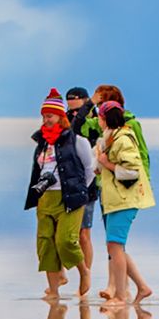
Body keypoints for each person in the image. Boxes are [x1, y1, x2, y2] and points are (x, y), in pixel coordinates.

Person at [25, 89, 96, 301]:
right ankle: (53, 292)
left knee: (66, 241)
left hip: (70, 198)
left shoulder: (77, 140)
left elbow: (90, 169)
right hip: (45, 198)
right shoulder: (42, 142)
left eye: (50, 116)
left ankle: (84, 271)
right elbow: (37, 171)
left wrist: (80, 190)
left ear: (60, 116)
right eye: (44, 116)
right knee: (46, 244)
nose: (46, 120)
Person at [94, 100, 154, 309]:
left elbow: (131, 172)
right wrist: (101, 164)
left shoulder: (123, 139)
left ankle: (120, 295)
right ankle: (142, 287)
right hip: (114, 199)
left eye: (99, 118)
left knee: (115, 245)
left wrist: (106, 163)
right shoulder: (110, 138)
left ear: (103, 119)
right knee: (114, 246)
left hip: (125, 200)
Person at [64, 85, 104, 290]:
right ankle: (63, 273)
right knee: (61, 232)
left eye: (76, 105)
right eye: (69, 105)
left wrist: (90, 106)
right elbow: (70, 128)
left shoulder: (96, 120)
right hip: (67, 181)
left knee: (84, 234)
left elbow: (80, 126)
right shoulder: (66, 118)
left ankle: (85, 274)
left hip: (89, 182)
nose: (72, 112)